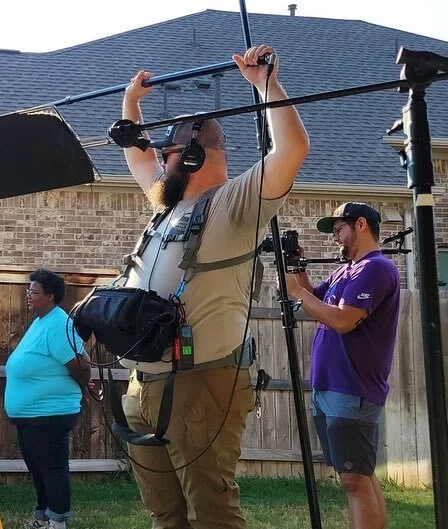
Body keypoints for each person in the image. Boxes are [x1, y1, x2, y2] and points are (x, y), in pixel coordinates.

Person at [119, 44, 310, 529]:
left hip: (201, 385)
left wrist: (265, 85)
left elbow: (291, 151)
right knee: (166, 513)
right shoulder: (167, 204)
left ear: (196, 155)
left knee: (212, 515)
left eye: (168, 153)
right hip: (146, 384)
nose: (158, 161)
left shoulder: (234, 204)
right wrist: (130, 106)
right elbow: (138, 159)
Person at [285, 203, 400, 529]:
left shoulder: (375, 269)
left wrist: (296, 292)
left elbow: (344, 320)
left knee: (354, 479)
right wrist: (296, 268)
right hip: (332, 385)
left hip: (352, 387)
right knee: (357, 475)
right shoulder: (345, 271)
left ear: (361, 224)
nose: (335, 238)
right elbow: (311, 300)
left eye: (338, 230)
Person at [5, 268, 90, 529]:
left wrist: (84, 383)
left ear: (50, 296)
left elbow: (81, 365)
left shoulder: (57, 324)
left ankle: (58, 521)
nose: (28, 296)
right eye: (28, 291)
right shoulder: (41, 321)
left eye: (34, 292)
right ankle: (43, 517)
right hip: (32, 416)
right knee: (39, 469)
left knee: (52, 469)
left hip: (49, 414)